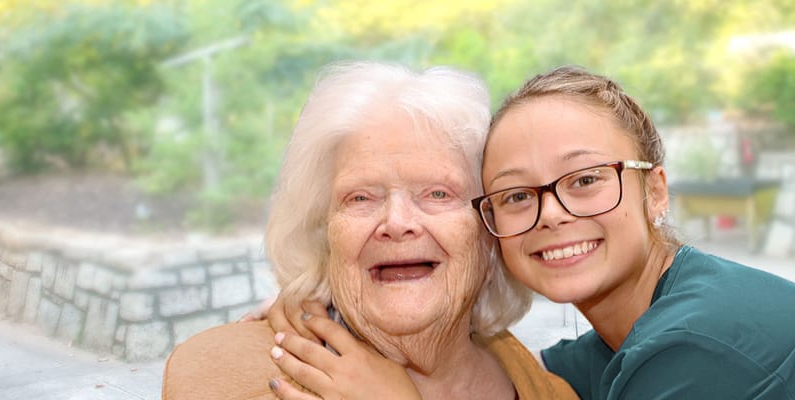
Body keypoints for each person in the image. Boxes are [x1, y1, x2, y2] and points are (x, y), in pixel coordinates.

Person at [278, 66, 795, 399]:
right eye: (517, 195)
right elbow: (521, 385)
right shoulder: (620, 339)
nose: (552, 215)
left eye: (584, 180)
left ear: (653, 189)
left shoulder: (692, 344)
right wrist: (318, 300)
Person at [161, 61, 577, 400]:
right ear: (323, 232)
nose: (397, 224)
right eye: (360, 198)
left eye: (437, 193)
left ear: (487, 233)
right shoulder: (221, 375)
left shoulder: (544, 386)